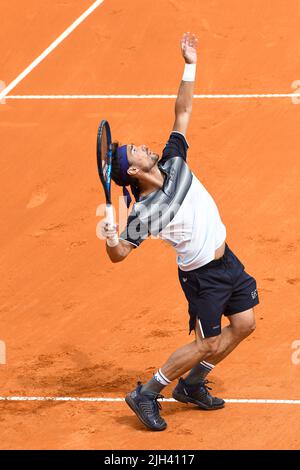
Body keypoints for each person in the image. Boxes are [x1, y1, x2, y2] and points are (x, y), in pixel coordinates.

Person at [100, 32, 259, 431]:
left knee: (244, 325)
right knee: (207, 341)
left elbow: (182, 111)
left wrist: (190, 63)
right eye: (135, 150)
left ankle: (191, 385)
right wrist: (109, 236)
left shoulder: (173, 161)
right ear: (133, 171)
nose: (143, 146)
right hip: (202, 276)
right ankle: (148, 393)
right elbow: (120, 254)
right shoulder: (145, 212)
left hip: (228, 259)